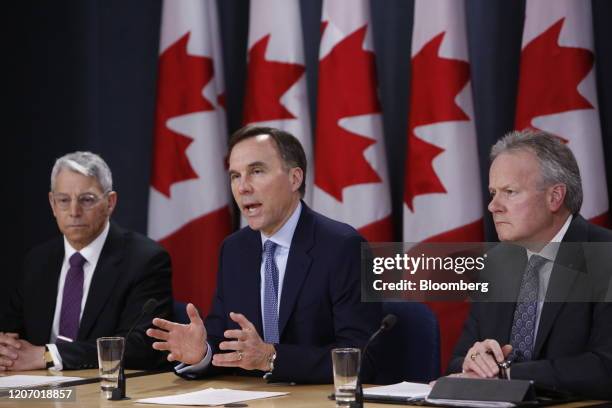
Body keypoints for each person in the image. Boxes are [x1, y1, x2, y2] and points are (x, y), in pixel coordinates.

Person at [147, 126, 381, 384]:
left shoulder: (343, 247)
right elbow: (223, 340)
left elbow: (363, 356)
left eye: (256, 171)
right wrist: (203, 352)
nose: (242, 187)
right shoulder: (234, 249)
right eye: (235, 176)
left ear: (295, 179)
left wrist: (272, 358)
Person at [447, 130, 612, 399]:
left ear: (554, 197)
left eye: (509, 192)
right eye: (493, 192)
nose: (493, 206)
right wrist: (476, 361)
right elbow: (456, 363)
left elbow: (605, 367)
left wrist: (508, 374)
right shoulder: (497, 263)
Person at [0, 151, 173, 371]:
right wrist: (6, 349)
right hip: (36, 388)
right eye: (64, 200)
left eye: (87, 200)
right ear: (53, 204)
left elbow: (142, 346)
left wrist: (49, 355)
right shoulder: (37, 261)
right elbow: (10, 331)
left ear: (110, 203)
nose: (74, 211)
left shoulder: (145, 260)